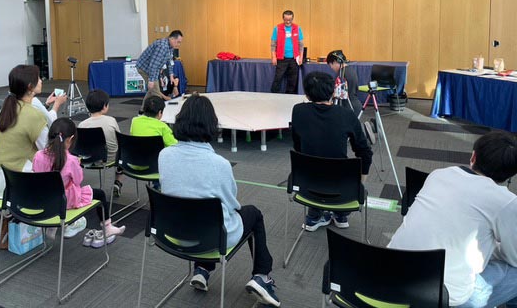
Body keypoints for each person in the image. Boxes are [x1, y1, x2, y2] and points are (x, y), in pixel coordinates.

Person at [158, 94, 280, 307]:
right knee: (253, 214)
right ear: (211, 124)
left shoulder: (164, 155)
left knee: (197, 210)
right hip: (212, 237)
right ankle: (262, 276)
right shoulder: (220, 164)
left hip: (173, 233)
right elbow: (232, 204)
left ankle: (202, 269)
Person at [388, 132, 517, 308]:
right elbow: (513, 257)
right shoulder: (506, 202)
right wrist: (490, 248)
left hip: (386, 276)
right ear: (510, 175)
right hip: (442, 299)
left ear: (473, 156)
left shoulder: (439, 174)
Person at [291, 71, 372, 231]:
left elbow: (297, 145)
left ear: (306, 94)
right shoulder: (346, 115)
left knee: (314, 166)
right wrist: (360, 185)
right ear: (333, 92)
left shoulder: (298, 111)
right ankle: (341, 214)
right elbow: (365, 153)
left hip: (307, 185)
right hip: (343, 189)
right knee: (340, 172)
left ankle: (314, 216)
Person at [33, 118, 125, 244]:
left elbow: (37, 174)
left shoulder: (38, 155)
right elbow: (78, 180)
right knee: (100, 194)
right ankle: (107, 227)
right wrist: (77, 164)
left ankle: (52, 226)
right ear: (70, 139)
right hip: (65, 201)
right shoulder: (71, 160)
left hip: (44, 199)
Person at [0, 65, 48, 198]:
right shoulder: (33, 114)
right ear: (30, 87)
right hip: (17, 181)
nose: (41, 80)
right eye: (38, 78)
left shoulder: (5, 109)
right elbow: (48, 150)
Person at [78, 89, 124, 197]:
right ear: (104, 106)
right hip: (110, 159)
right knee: (123, 155)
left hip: (88, 160)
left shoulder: (82, 125)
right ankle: (118, 182)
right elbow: (120, 140)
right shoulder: (111, 121)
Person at [136, 30, 183, 110]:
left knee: (152, 90)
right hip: (145, 68)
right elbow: (153, 64)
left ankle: (142, 111)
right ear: (172, 39)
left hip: (153, 69)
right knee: (156, 94)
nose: (179, 45)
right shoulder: (162, 47)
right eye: (178, 42)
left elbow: (169, 61)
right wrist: (151, 80)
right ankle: (157, 113)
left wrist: (171, 75)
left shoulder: (170, 46)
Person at [271, 10, 303, 94]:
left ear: (292, 19)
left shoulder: (297, 28)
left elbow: (301, 45)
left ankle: (290, 96)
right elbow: (273, 44)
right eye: (286, 20)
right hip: (281, 58)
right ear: (283, 18)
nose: (288, 22)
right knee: (278, 78)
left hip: (294, 59)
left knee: (292, 80)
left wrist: (301, 57)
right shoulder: (277, 28)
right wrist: (273, 57)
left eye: (290, 20)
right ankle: (273, 95)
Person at [326, 50, 361, 116]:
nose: (331, 68)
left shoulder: (341, 74)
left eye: (330, 65)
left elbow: (337, 94)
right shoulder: (351, 70)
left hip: (346, 108)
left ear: (335, 62)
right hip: (356, 106)